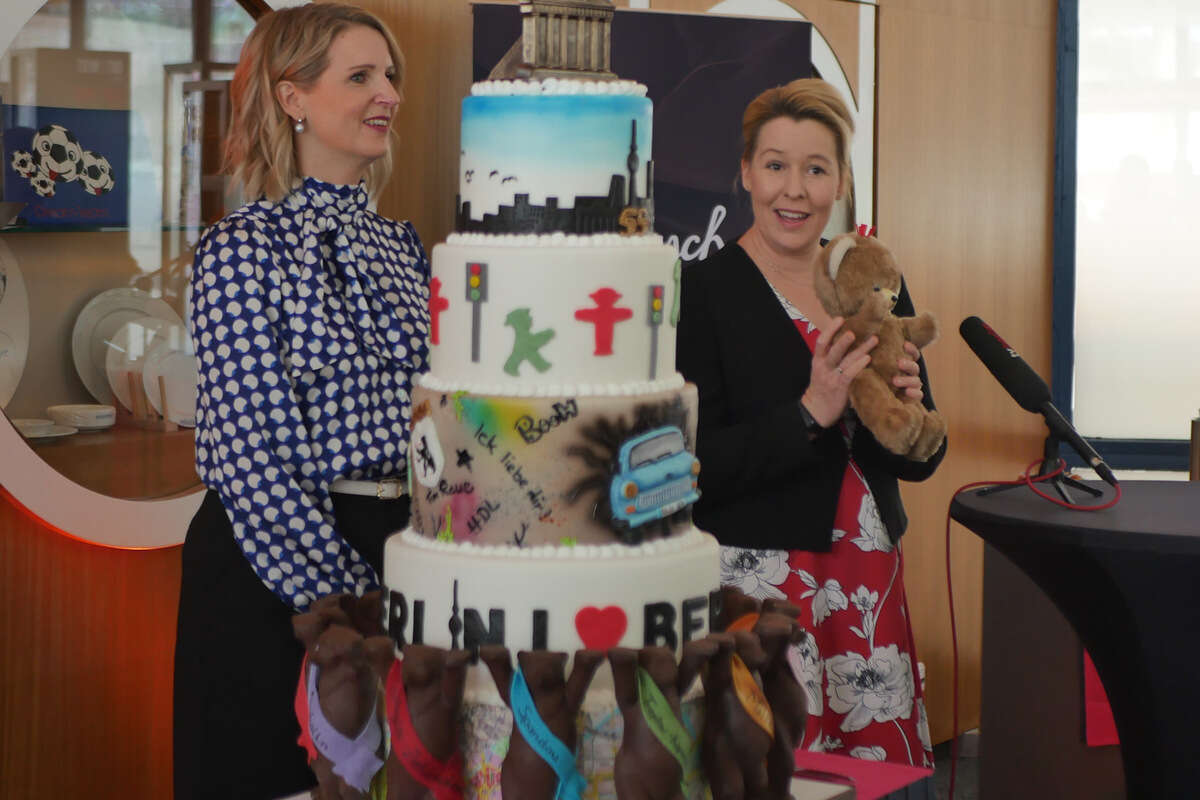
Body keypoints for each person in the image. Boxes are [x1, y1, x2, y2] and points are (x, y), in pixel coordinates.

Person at [173, 5, 429, 798]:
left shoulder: (403, 246)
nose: (387, 93)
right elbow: (254, 458)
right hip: (266, 573)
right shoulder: (240, 249)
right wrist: (349, 604)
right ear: (293, 98)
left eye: (389, 75)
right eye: (360, 77)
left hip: (394, 556)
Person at [676, 78, 945, 768]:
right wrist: (809, 413)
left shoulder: (873, 278)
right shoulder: (701, 293)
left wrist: (911, 414)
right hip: (762, 588)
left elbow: (919, 460)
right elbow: (691, 465)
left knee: (869, 775)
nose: (793, 190)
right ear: (745, 172)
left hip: (867, 578)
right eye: (775, 166)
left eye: (816, 169)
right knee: (771, 770)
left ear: (841, 181)